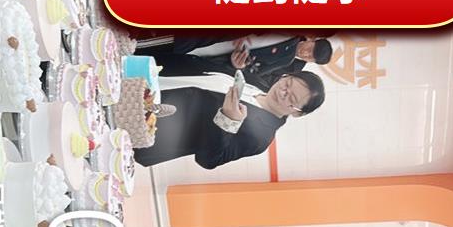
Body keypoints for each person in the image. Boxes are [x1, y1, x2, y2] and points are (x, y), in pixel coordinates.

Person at [132, 71, 325, 169]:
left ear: (297, 113)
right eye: (287, 83)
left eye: (291, 98)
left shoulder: (261, 137)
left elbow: (209, 160)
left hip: (147, 127)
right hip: (149, 88)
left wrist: (227, 120)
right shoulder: (257, 83)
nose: (283, 92)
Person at [149, 36, 333, 92]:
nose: (306, 53)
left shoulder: (287, 61)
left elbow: (257, 72)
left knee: (170, 59)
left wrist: (239, 66)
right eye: (311, 49)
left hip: (218, 57)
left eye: (310, 57)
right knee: (167, 42)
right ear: (312, 40)